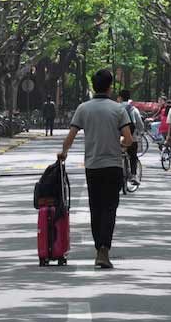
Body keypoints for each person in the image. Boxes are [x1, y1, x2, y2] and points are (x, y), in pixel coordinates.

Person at [57, 70, 134, 269]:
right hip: (113, 166)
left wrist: (63, 153)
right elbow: (129, 138)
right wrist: (120, 145)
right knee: (110, 208)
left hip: (92, 166)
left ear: (93, 85)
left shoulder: (83, 109)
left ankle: (99, 247)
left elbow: (71, 136)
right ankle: (104, 249)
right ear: (110, 87)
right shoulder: (118, 110)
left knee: (96, 208)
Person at [118, 89, 142, 186]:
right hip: (132, 137)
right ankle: (133, 175)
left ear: (120, 97)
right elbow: (139, 124)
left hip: (118, 138)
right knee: (133, 156)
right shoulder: (133, 109)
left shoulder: (115, 108)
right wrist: (140, 132)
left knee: (117, 156)